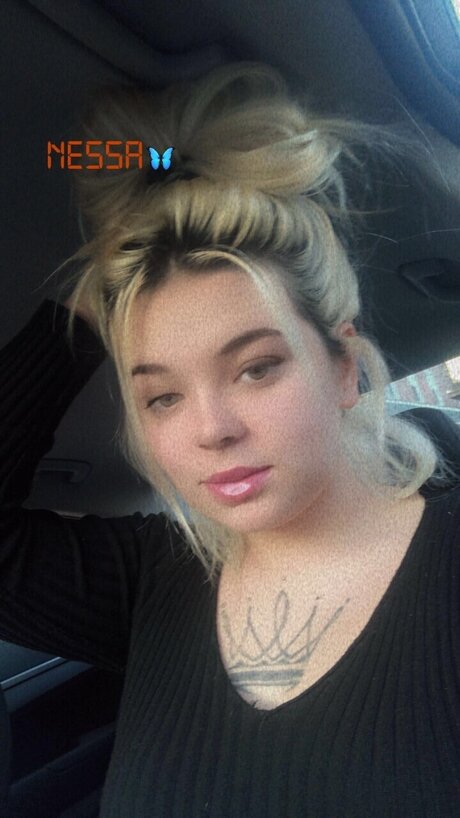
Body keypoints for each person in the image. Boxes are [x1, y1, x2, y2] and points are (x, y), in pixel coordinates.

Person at [1, 61, 460, 817]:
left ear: (343, 367)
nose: (212, 429)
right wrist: (90, 307)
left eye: (256, 368)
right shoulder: (151, 579)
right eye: (163, 396)